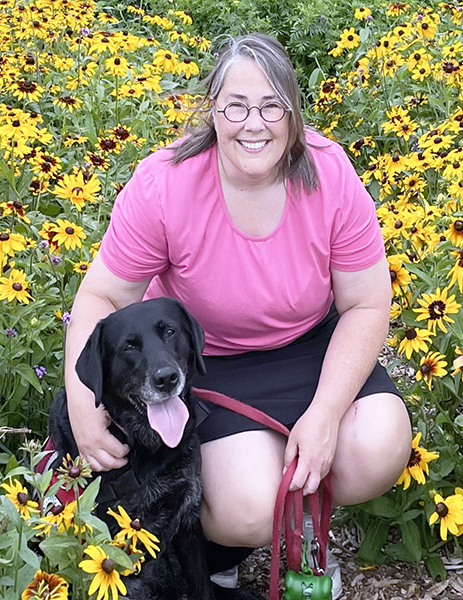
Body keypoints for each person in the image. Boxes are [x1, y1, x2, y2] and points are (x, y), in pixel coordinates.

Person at [65, 33, 412, 598]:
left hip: (310, 348)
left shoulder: (328, 173)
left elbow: (368, 303)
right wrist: (83, 409)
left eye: (272, 104)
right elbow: (101, 297)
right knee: (245, 506)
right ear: (213, 110)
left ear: (294, 112)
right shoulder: (166, 184)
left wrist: (325, 415)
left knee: (378, 444)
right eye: (236, 105)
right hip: (209, 361)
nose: (255, 123)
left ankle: (302, 525)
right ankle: (235, 540)